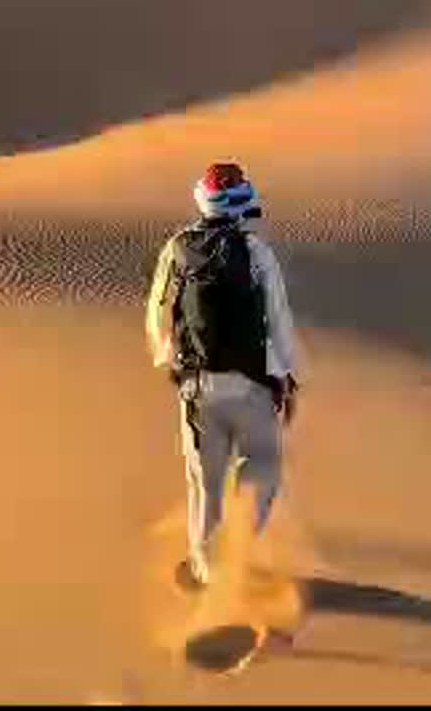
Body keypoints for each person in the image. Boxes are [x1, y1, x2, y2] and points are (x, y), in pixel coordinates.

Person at [146, 161, 299, 588]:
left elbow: (158, 310)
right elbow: (278, 320)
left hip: (197, 388)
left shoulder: (177, 247)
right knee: (262, 467)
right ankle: (237, 551)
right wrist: (285, 377)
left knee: (204, 485)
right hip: (251, 386)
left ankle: (206, 569)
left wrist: (170, 362)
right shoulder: (256, 252)